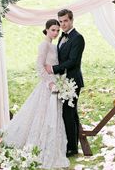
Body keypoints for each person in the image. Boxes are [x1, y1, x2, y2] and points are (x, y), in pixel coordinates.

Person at [3, 19, 70, 169]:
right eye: (53, 30)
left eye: (57, 31)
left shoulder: (54, 45)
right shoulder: (44, 45)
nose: (55, 33)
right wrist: (50, 83)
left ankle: (50, 144)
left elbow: (53, 65)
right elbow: (39, 66)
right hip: (48, 86)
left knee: (52, 117)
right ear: (46, 29)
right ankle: (35, 144)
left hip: (56, 84)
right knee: (41, 115)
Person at [45, 9, 85, 157]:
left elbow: (72, 61)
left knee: (68, 114)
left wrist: (53, 69)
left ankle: (72, 148)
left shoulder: (78, 38)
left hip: (72, 82)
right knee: (71, 113)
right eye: (60, 21)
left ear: (72, 20)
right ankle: (72, 144)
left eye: (65, 21)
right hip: (63, 80)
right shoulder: (62, 37)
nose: (63, 24)